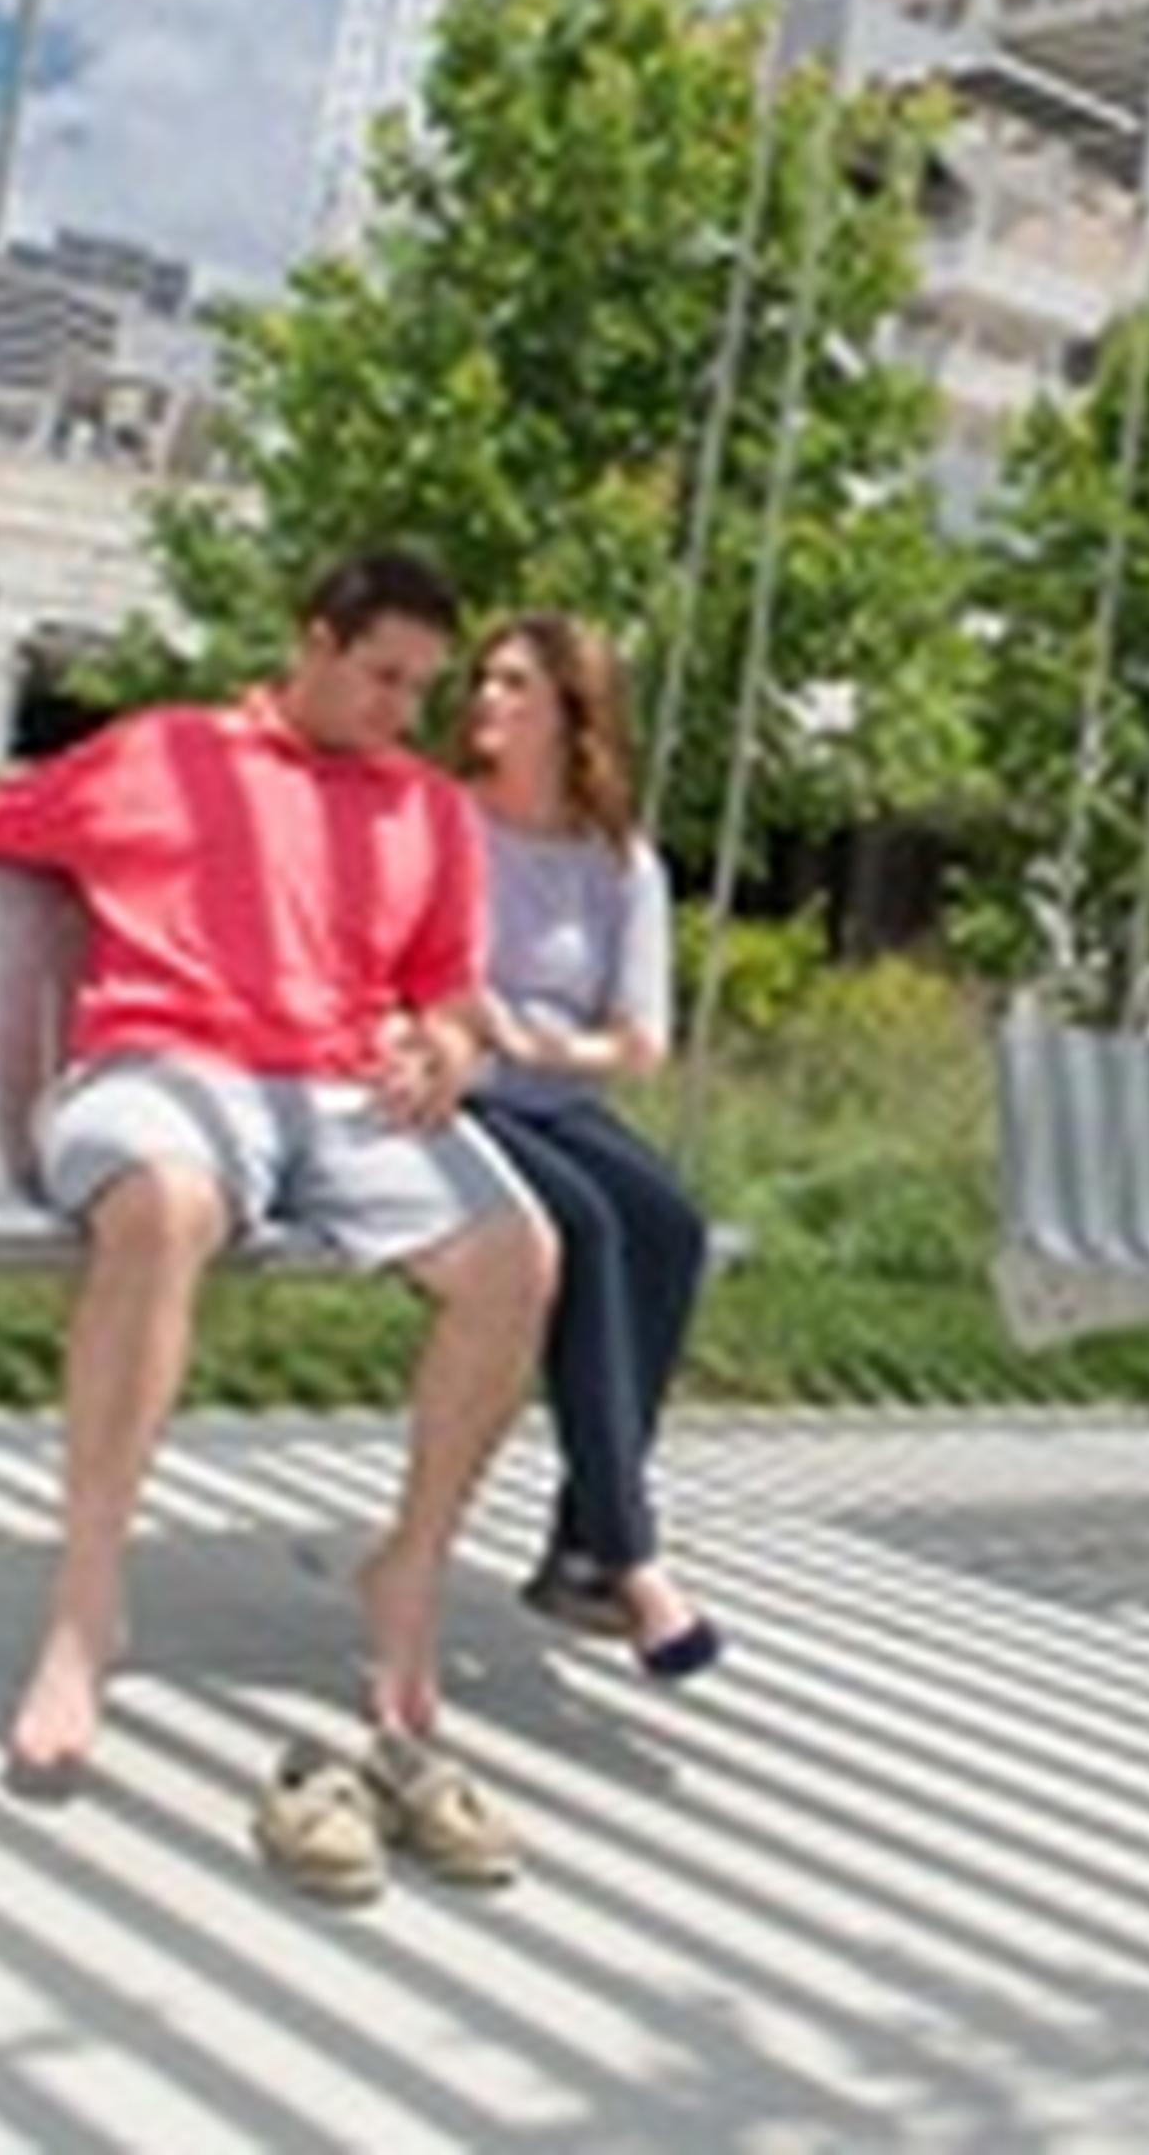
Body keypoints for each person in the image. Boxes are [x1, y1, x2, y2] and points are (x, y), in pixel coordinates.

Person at [0, 549, 558, 1782]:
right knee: (163, 1203)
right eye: (382, 675)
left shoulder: (426, 808)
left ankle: (409, 1563)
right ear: (313, 640)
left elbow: (450, 992)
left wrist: (445, 1044)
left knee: (519, 1252)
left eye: (423, 688)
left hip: (341, 1095)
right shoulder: (162, 756)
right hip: (161, 1075)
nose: (402, 711)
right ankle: (87, 1599)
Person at [452, 613, 723, 1683]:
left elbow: (642, 1040)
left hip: (556, 1094)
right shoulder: (445, 822)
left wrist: (540, 1039)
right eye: (482, 677)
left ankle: (580, 1543)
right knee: (590, 1225)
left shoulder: (621, 863)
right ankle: (627, 1551)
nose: (485, 696)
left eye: (514, 682)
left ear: (572, 711)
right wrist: (492, 1037)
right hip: (467, 1095)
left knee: (671, 1224)